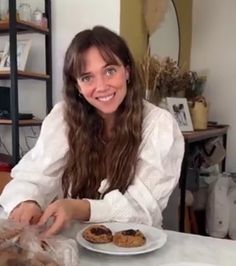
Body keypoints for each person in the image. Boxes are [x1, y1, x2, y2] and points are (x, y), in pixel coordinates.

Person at [0, 26, 184, 237]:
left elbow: (143, 208)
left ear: (127, 71)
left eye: (109, 71)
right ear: (77, 86)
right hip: (74, 241)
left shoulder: (159, 125)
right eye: (87, 78)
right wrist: (28, 201)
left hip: (135, 246)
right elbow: (34, 175)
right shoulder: (63, 117)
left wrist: (78, 208)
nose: (101, 86)